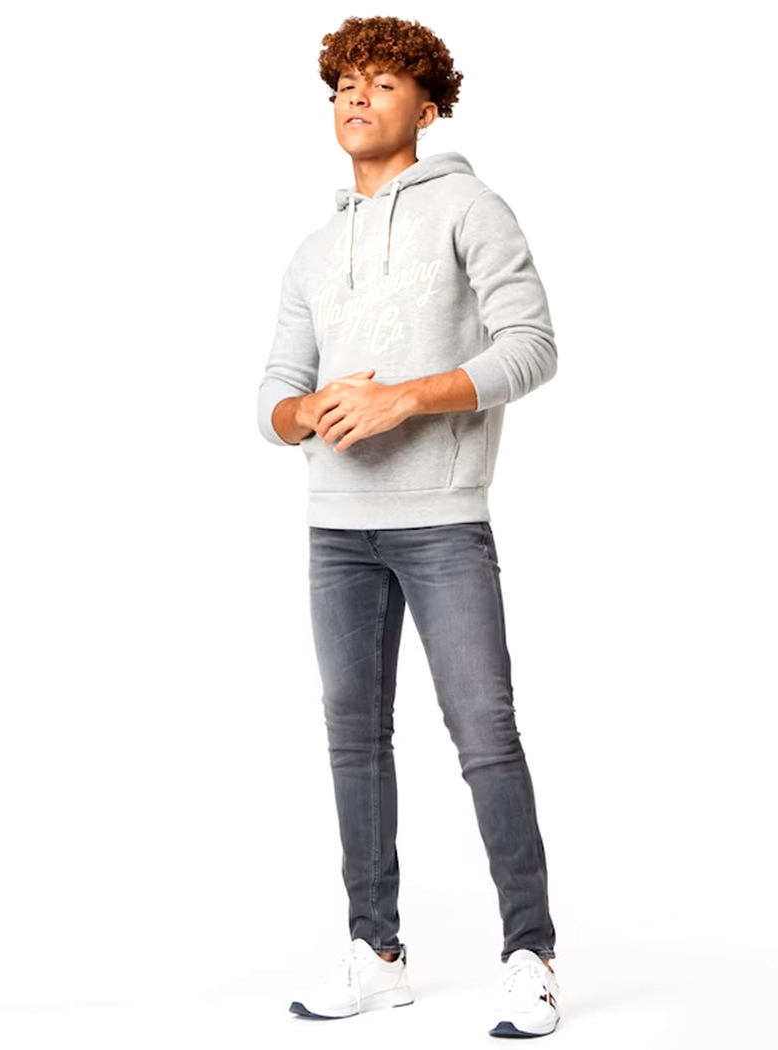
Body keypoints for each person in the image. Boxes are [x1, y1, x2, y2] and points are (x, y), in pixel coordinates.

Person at [257, 15, 560, 1038]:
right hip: (336, 531)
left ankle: (530, 956)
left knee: (484, 736)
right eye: (344, 82)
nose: (356, 96)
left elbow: (532, 346)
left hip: (442, 521)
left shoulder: (471, 208)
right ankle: (376, 952)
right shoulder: (313, 251)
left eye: (382, 82)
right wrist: (310, 410)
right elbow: (271, 397)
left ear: (427, 109)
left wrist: (407, 399)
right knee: (354, 741)